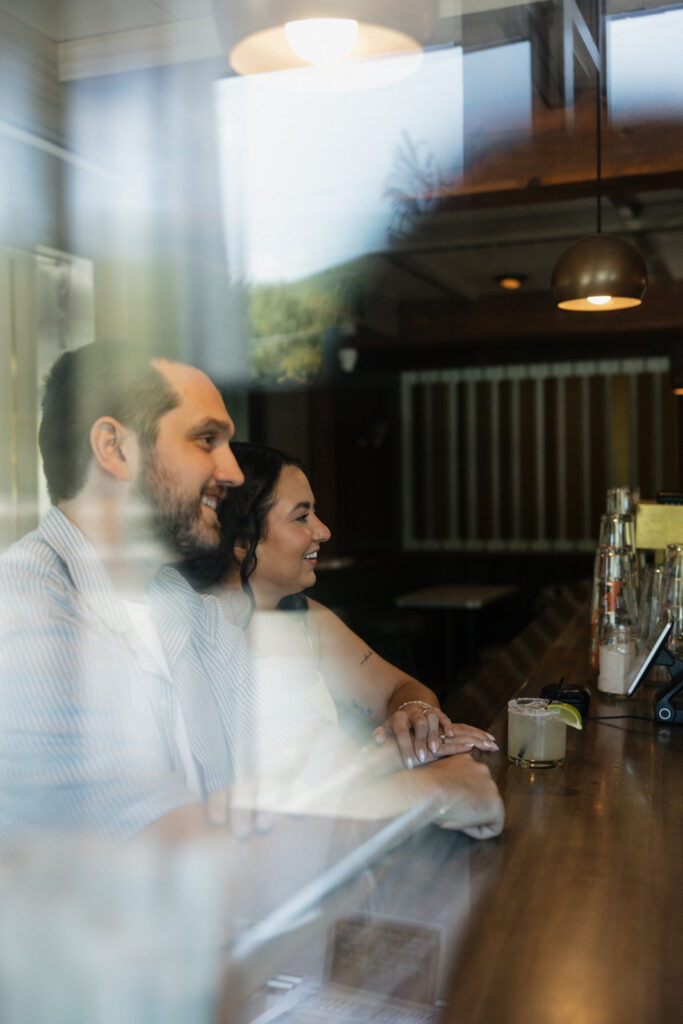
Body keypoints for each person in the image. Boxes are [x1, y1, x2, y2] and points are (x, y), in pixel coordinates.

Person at [0, 340, 503, 843]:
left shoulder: (180, 606)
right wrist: (426, 795)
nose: (233, 472)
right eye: (205, 440)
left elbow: (307, 762)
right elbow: (168, 855)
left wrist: (411, 750)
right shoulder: (24, 609)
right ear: (114, 448)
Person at [196, 442, 498, 771]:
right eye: (301, 517)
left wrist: (414, 712)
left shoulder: (304, 618)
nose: (323, 531)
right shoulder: (200, 637)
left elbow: (401, 688)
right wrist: (388, 757)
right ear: (241, 541)